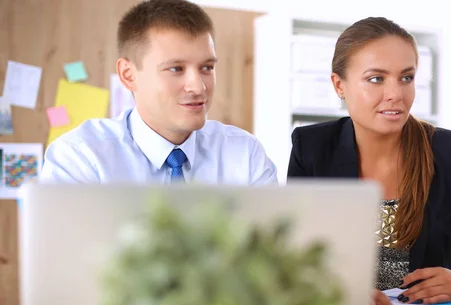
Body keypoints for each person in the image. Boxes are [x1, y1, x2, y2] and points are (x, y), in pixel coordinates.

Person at [287, 17, 451, 305]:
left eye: (406, 78)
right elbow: (293, 264)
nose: (396, 94)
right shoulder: (313, 148)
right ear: (339, 85)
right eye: (376, 79)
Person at [41, 0, 276, 185]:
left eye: (207, 67)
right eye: (176, 68)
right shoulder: (81, 158)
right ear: (128, 74)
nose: (198, 87)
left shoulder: (245, 155)